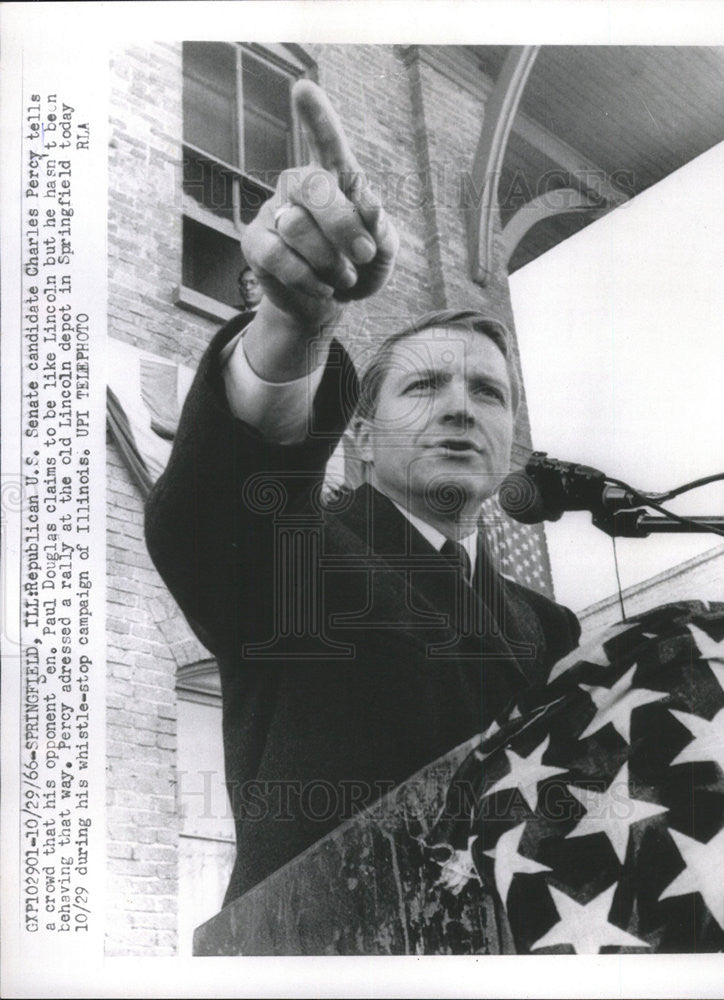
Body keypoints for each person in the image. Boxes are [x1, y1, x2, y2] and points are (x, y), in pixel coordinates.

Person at [145, 81, 580, 906]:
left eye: (488, 393)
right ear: (361, 435)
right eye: (424, 389)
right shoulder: (298, 555)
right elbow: (211, 513)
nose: (460, 405)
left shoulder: (547, 628)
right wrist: (297, 324)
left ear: (509, 439)